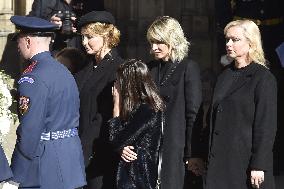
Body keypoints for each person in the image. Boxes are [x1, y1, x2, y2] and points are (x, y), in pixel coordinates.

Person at [121, 16, 204, 189]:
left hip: (176, 147)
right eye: (151, 42)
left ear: (172, 40)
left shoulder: (188, 68)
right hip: (148, 148)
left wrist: (193, 153)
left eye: (159, 42)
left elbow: (194, 114)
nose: (154, 48)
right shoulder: (149, 68)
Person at [9, 15, 86, 189]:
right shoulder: (63, 71)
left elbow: (29, 133)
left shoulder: (33, 78)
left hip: (45, 167)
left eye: (18, 41)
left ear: (28, 41)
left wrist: (16, 176)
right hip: (70, 162)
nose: (17, 47)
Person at [205, 19, 277, 189]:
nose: (228, 44)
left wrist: (259, 164)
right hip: (220, 162)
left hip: (245, 164)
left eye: (235, 40)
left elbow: (266, 125)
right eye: (227, 39)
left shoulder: (263, 78)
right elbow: (212, 118)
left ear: (251, 42)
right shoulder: (224, 76)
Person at [75, 11, 124, 189]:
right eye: (82, 37)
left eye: (89, 37)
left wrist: (84, 147)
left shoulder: (118, 68)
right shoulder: (84, 68)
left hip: (100, 154)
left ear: (106, 35)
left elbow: (108, 115)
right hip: (79, 149)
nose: (84, 43)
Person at [108, 59, 165, 189]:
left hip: (137, 179)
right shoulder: (141, 107)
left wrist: (116, 105)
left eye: (119, 81)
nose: (116, 85)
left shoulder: (147, 110)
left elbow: (116, 139)